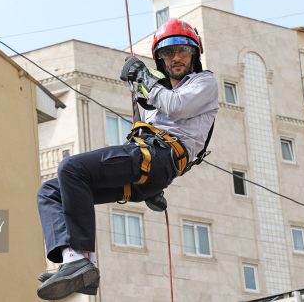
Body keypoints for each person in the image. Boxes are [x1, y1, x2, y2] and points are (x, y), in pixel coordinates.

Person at [35, 18, 219, 300]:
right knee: (50, 190)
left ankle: (81, 261)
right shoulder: (157, 97)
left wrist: (145, 79)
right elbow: (143, 132)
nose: (176, 58)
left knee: (71, 168)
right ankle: (74, 259)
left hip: (158, 158)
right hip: (147, 168)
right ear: (161, 59)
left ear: (195, 54)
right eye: (168, 53)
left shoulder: (203, 82)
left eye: (182, 50)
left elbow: (178, 108)